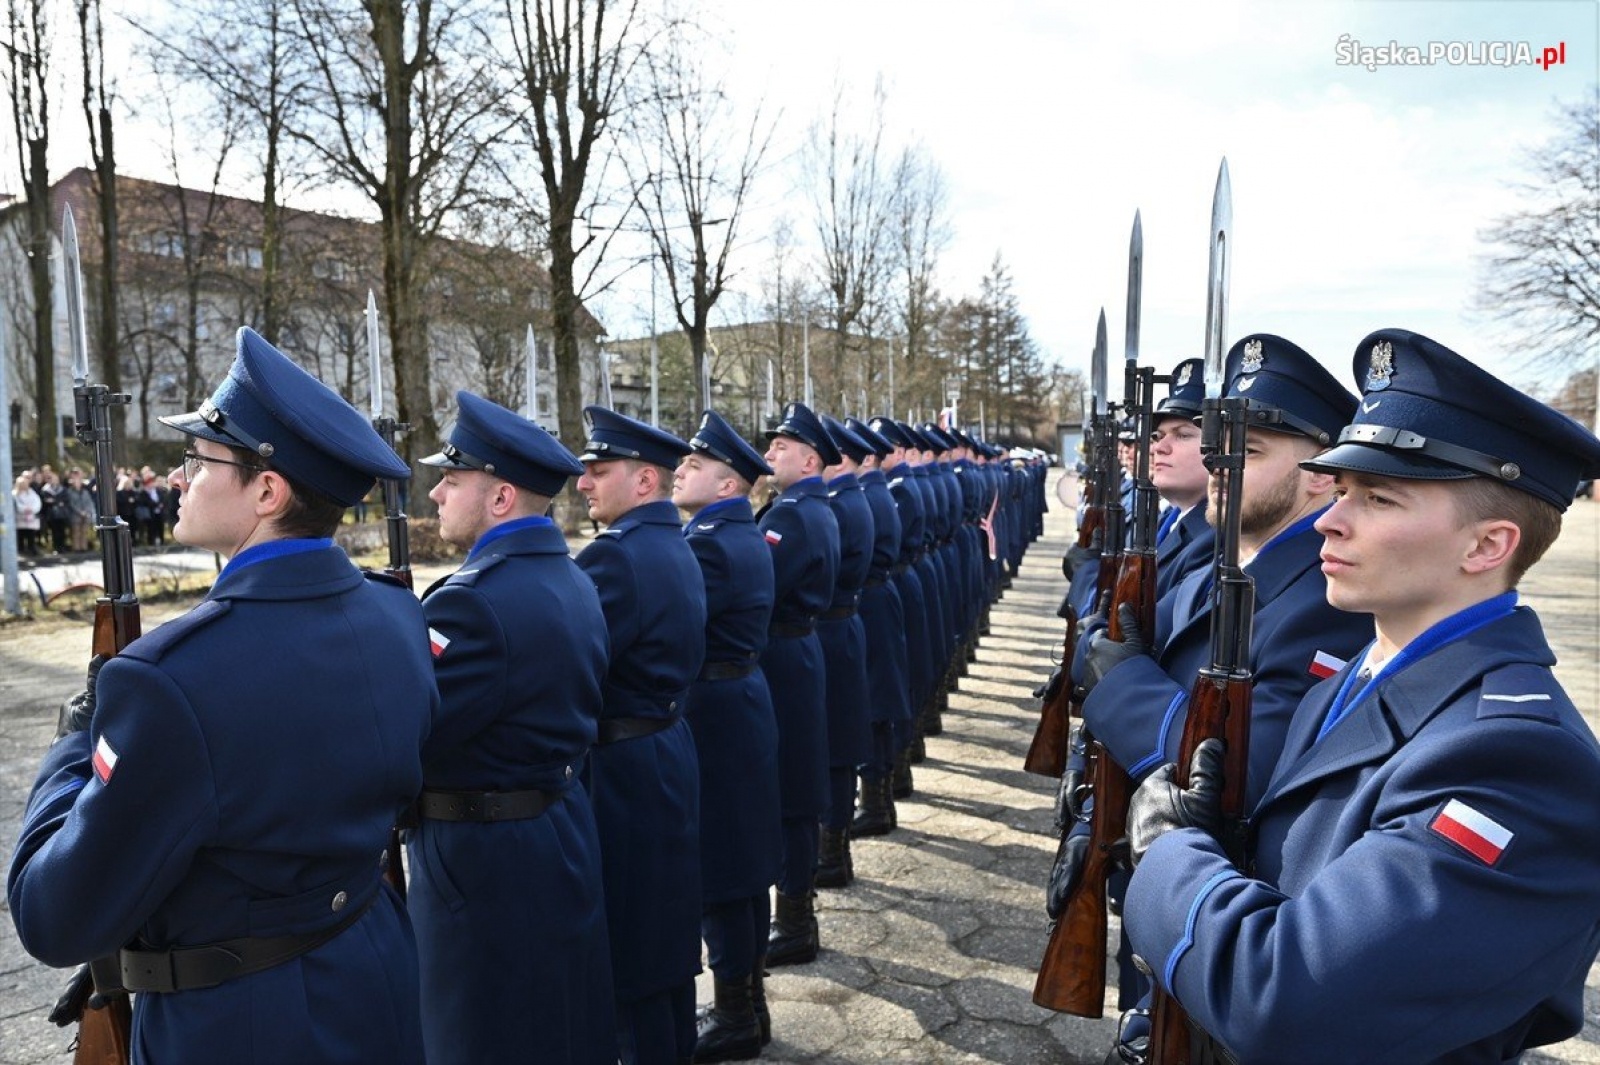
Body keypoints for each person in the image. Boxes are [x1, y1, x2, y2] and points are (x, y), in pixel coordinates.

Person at [1123, 328, 1600, 1064]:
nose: (1330, 519)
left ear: (1487, 546)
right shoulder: (1362, 676)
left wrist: (1170, 853)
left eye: (1378, 498)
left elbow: (1285, 995)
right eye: (1340, 489)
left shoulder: (1520, 759)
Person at [7, 326, 434, 1063]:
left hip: (242, 1023)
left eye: (196, 460)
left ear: (267, 490)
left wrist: (76, 742)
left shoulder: (168, 678)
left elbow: (55, 914)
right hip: (374, 972)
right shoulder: (397, 612)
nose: (178, 477)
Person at [1064, 335, 1374, 1022]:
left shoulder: (1324, 602)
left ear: (1322, 473)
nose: (1217, 465)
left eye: (1248, 451)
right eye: (1217, 450)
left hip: (1223, 899)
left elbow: (1241, 768)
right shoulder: (1216, 570)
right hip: (1163, 872)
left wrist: (1123, 689)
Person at [412, 391, 614, 1064]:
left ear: (500, 498)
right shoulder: (569, 576)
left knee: (479, 1037)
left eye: (452, 477)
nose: (437, 491)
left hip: (484, 861)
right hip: (557, 831)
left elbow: (407, 735)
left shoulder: (473, 602)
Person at [575, 405, 706, 1065]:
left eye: (599, 470)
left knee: (631, 951)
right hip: (662, 750)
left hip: (623, 768)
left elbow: (570, 670)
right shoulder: (672, 542)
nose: (582, 482)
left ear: (645, 480)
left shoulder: (616, 558)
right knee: (663, 939)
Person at [671, 409, 781, 1062]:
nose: (680, 469)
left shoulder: (711, 542)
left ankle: (738, 1010)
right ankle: (748, 999)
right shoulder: (739, 532)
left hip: (716, 709)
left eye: (695, 463)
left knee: (724, 862)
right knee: (739, 860)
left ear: (727, 485)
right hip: (735, 701)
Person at [758, 403, 840, 968]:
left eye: (781, 448)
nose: (768, 455)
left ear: (810, 459)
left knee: (791, 790)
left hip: (783, 655)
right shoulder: (810, 506)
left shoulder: (790, 515)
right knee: (798, 784)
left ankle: (793, 921)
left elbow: (759, 588)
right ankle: (796, 911)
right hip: (798, 649)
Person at [813, 417, 874, 889]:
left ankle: (831, 852)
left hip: (835, 627)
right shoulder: (847, 501)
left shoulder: (840, 506)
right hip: (846, 619)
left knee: (832, 745)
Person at [64, 467, 96, 553]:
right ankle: (76, 548)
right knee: (76, 532)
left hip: (85, 515)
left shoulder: (85, 491)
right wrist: (80, 512)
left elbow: (88, 502)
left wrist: (86, 511)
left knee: (84, 532)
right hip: (75, 515)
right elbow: (71, 504)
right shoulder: (69, 491)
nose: (77, 483)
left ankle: (83, 547)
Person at [11, 473, 41, 555]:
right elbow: (16, 505)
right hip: (20, 519)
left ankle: (31, 549)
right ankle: (21, 551)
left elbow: (37, 502)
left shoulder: (32, 493)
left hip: (30, 519)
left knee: (30, 535)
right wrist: (24, 509)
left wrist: (32, 509)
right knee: (21, 536)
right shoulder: (14, 494)